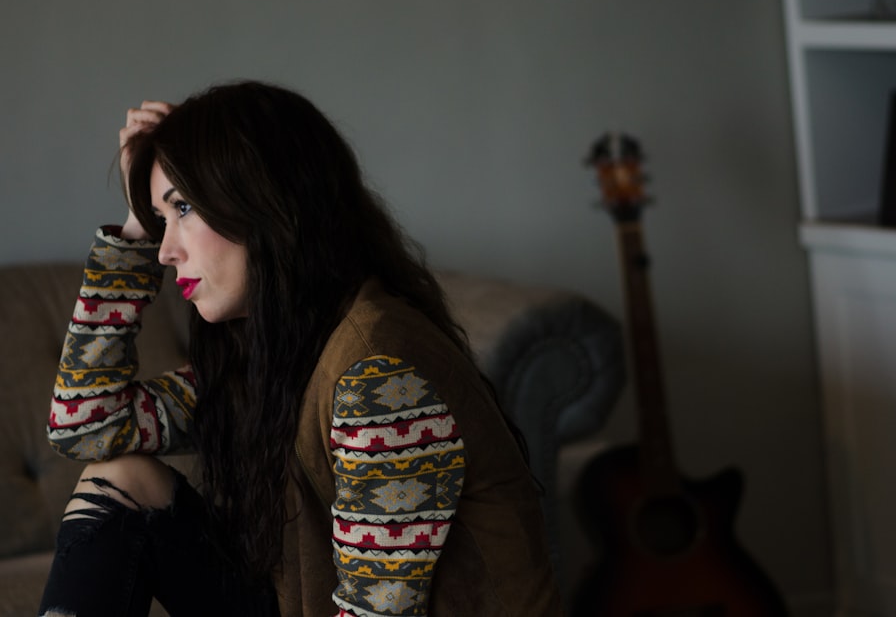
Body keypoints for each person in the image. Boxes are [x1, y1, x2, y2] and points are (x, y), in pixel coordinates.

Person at [39, 81, 564, 617]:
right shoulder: (273, 354)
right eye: (159, 220)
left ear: (265, 200)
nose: (167, 250)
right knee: (121, 482)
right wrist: (131, 232)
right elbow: (87, 424)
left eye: (185, 209)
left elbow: (376, 613)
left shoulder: (377, 372)